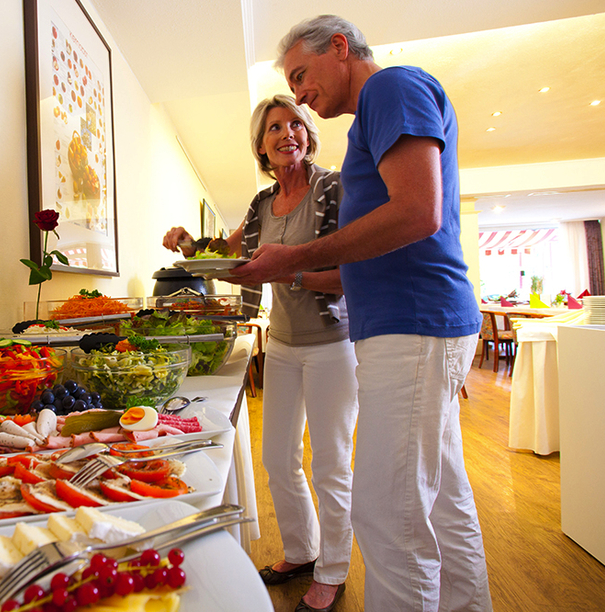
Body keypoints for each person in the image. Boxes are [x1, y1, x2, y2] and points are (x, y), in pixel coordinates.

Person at [228, 15, 493, 612]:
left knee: (386, 511)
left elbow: (418, 212)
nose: (298, 94)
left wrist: (293, 258)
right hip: (406, 326)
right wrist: (279, 266)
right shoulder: (373, 112)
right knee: (444, 502)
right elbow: (366, 252)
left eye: (300, 75)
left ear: (340, 48)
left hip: (414, 324)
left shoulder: (391, 88)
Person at [164, 94, 359, 612]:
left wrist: (289, 271)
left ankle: (333, 570)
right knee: (278, 458)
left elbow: (352, 273)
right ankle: (303, 549)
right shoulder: (260, 205)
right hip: (285, 346)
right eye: (274, 127)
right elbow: (227, 256)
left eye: (296, 123)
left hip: (334, 345)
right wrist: (188, 244)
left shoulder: (333, 188)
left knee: (332, 466)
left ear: (309, 135)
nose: (286, 133)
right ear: (261, 145)